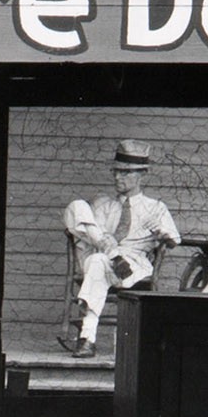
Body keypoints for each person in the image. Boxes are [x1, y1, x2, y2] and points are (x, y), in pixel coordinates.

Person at [60, 140, 180, 352]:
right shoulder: (102, 204)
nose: (117, 177)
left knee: (98, 261)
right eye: (115, 172)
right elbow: (84, 231)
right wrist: (106, 244)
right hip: (99, 258)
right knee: (77, 207)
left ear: (142, 175)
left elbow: (174, 241)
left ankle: (87, 338)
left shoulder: (156, 208)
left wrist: (161, 232)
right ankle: (112, 252)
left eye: (125, 173)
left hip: (132, 265)